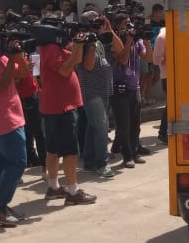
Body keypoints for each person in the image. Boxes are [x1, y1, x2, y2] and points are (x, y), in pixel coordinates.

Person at [38, 33, 97, 205]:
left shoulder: (51, 47)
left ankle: (53, 187)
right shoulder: (51, 48)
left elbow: (76, 60)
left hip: (55, 107)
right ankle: (73, 192)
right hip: (61, 108)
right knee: (70, 152)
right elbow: (65, 70)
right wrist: (78, 46)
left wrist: (79, 44)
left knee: (53, 150)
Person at [0, 43, 30, 227]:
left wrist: (17, 54)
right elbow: (1, 85)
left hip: (7, 118)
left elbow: (23, 73)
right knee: (18, 162)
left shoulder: (1, 57)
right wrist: (10, 60)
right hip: (5, 120)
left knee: (0, 165)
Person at [78, 12, 122, 178]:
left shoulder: (103, 39)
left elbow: (120, 49)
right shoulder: (82, 41)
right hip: (91, 91)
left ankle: (89, 162)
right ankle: (102, 163)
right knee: (102, 126)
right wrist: (91, 43)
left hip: (105, 90)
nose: (98, 25)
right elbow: (88, 66)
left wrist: (110, 30)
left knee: (93, 127)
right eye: (94, 22)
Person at [110, 12, 148, 166]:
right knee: (124, 126)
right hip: (119, 88)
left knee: (135, 125)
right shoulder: (114, 41)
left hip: (134, 87)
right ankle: (127, 156)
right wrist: (128, 41)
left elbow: (149, 58)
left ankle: (134, 151)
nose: (130, 26)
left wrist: (146, 39)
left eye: (130, 23)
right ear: (118, 26)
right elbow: (123, 61)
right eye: (126, 24)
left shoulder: (137, 41)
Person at [152, 24, 169, 145]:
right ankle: (163, 132)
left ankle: (166, 131)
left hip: (181, 75)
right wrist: (168, 57)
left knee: (175, 105)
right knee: (171, 105)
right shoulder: (162, 37)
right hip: (168, 76)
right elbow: (156, 60)